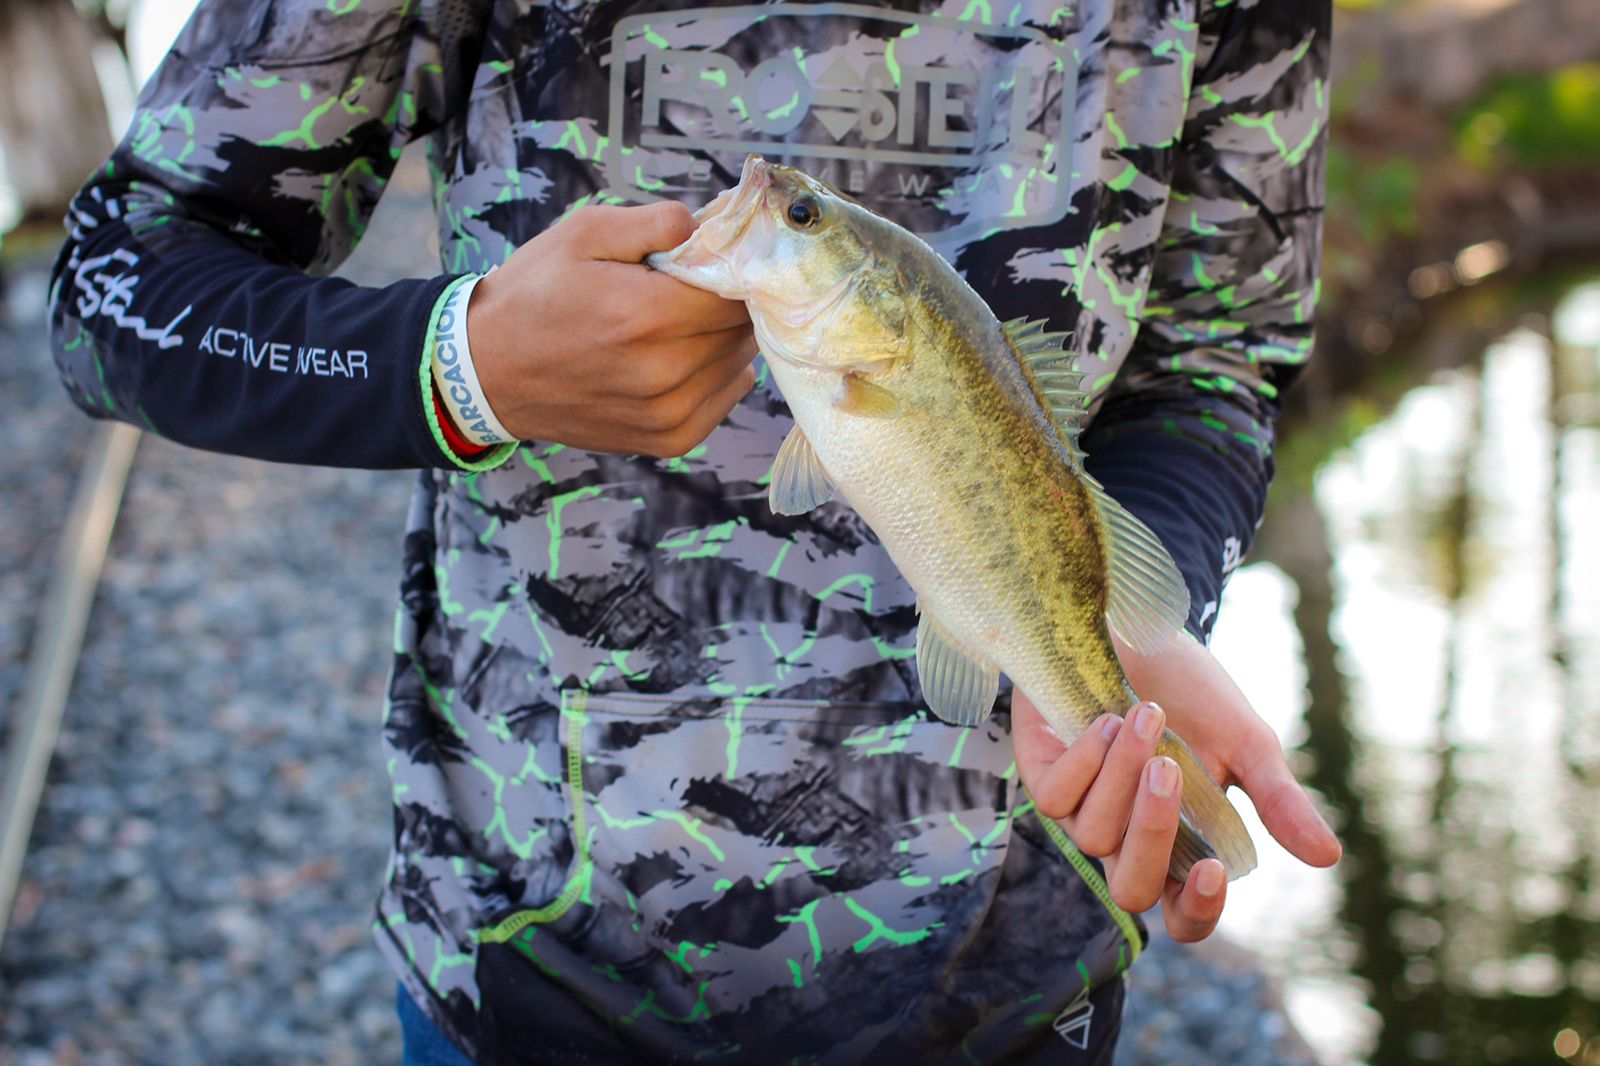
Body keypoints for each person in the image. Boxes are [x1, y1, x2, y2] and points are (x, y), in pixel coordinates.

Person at [50, 1, 1340, 1062]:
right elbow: (112, 283)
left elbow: (1217, 360)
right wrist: (454, 364)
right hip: (541, 976)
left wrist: (1136, 614)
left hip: (1015, 981)